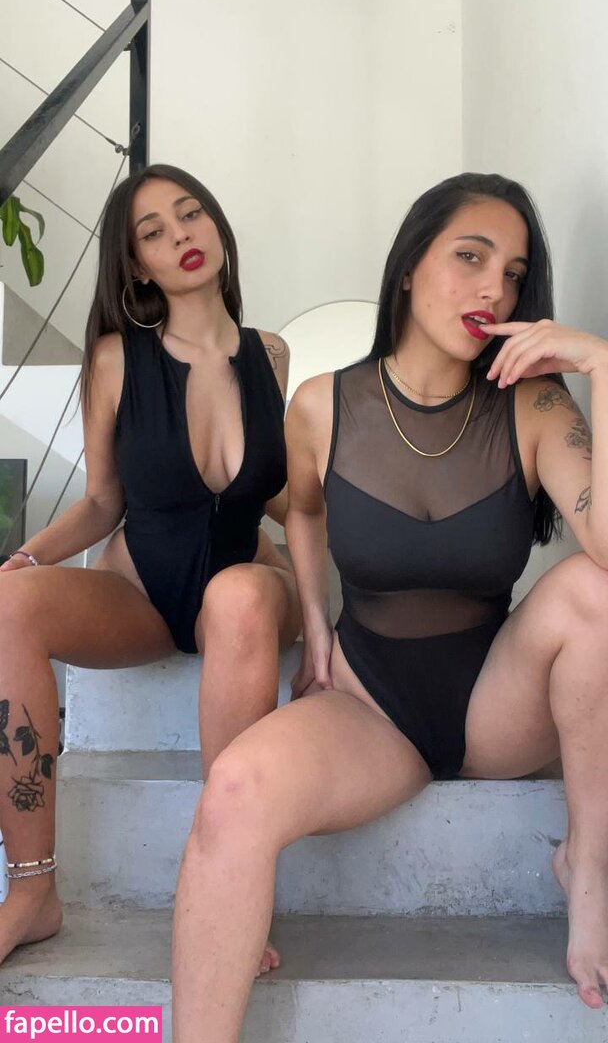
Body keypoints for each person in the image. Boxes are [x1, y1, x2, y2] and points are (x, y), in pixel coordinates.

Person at [171, 172, 608, 1041]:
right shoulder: (323, 405)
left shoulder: (535, 404)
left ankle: (588, 864)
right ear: (409, 266)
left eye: (513, 273)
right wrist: (317, 627)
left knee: (594, 590)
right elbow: (302, 509)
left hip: (496, 703)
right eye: (471, 257)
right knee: (234, 790)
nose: (494, 289)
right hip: (372, 704)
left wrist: (602, 364)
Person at [0, 164, 300, 973]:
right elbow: (103, 502)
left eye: (191, 214)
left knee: (238, 597)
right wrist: (25, 560)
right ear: (136, 265)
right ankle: (32, 891)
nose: (182, 237)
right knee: (7, 605)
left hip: (247, 591)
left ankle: (229, 887)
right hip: (142, 593)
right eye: (154, 232)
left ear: (217, 226)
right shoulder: (114, 360)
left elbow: (279, 494)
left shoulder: (271, 355)